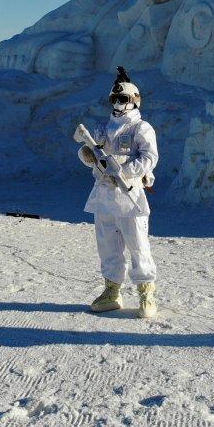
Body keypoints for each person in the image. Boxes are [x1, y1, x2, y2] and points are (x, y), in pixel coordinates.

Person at [77, 67, 160, 318]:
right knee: (108, 246)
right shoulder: (103, 128)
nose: (117, 103)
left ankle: (146, 293)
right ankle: (112, 291)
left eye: (122, 99)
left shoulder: (141, 128)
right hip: (104, 196)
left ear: (134, 100)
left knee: (138, 246)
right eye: (114, 99)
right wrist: (87, 155)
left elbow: (149, 157)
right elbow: (89, 150)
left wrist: (124, 171)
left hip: (129, 195)